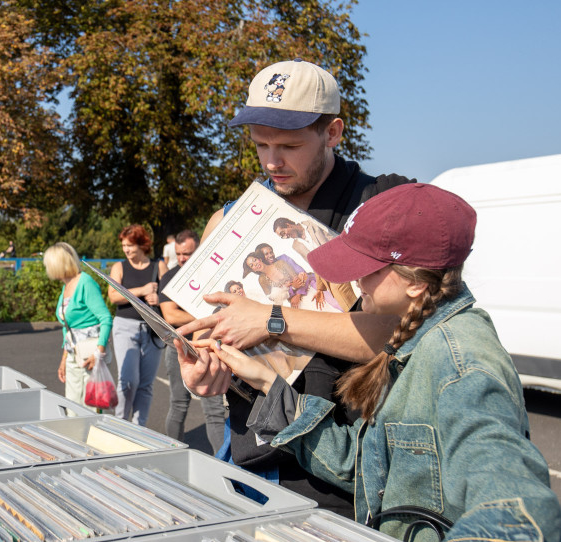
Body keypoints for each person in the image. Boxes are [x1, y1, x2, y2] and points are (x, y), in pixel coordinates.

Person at [199, 184, 561, 542]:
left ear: (414, 281)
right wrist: (267, 385)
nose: (355, 285)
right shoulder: (416, 336)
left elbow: (507, 480)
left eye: (366, 271)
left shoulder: (462, 364)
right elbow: (367, 465)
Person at [177, 59, 412, 516]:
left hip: (349, 471)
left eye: (288, 144)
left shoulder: (382, 206)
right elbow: (199, 330)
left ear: (334, 132)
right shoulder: (228, 220)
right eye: (261, 144)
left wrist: (271, 320)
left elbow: (398, 335)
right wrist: (199, 370)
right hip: (251, 461)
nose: (271, 161)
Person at [157, 229, 225, 451]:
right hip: (179, 348)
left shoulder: (214, 275)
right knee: (179, 405)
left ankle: (223, 467)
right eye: (179, 254)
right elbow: (171, 316)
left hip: (209, 347)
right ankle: (172, 454)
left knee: (214, 411)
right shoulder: (170, 277)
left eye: (187, 253)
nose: (182, 259)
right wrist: (206, 316)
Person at [107, 224, 167, 425]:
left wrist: (158, 299)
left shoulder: (158, 266)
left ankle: (140, 428)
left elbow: (169, 296)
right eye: (124, 245)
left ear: (142, 245)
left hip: (152, 330)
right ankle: (120, 424)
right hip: (125, 326)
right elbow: (113, 296)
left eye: (130, 245)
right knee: (127, 381)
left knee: (146, 384)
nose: (126, 249)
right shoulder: (119, 267)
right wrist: (142, 290)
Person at [45, 242, 112, 406]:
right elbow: (67, 328)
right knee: (72, 405)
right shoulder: (66, 286)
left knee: (89, 405)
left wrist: (99, 352)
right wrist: (63, 360)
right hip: (73, 354)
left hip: (90, 355)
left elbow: (105, 318)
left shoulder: (85, 282)